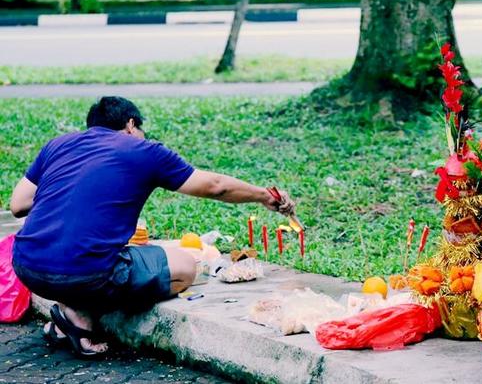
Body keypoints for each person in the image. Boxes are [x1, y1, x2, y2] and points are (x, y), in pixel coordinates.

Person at [9, 96, 295, 358]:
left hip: (27, 266)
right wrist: (263, 196)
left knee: (102, 256)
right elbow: (215, 186)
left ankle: (69, 314)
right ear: (131, 125)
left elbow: (18, 204)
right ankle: (79, 316)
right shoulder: (143, 150)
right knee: (184, 266)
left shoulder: (58, 145)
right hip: (87, 273)